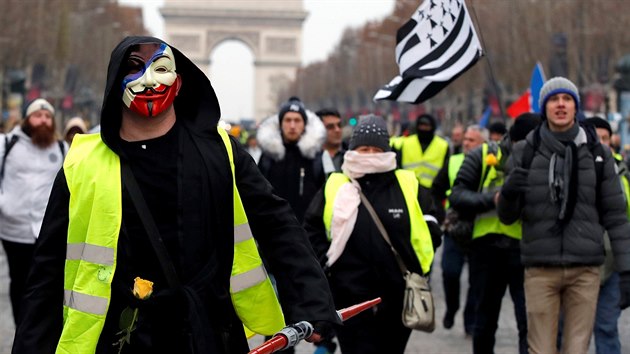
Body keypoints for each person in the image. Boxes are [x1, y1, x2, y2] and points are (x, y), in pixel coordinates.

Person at [12, 36, 339, 354]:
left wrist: (311, 297)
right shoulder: (81, 163)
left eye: (160, 68)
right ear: (115, 81)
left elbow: (275, 222)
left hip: (207, 329)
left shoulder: (221, 150)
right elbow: (48, 268)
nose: (148, 80)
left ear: (179, 83)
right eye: (135, 68)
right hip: (121, 337)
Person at [498, 77, 630, 354]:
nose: (561, 105)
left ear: (575, 107)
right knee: (541, 350)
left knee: (576, 349)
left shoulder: (598, 153)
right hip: (540, 269)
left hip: (585, 270)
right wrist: (509, 192)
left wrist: (627, 270)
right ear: (545, 107)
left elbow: (616, 216)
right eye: (554, 99)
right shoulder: (525, 151)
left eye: (567, 99)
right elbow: (507, 217)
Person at [304, 114, 441, 354]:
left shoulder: (408, 183)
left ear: (386, 151)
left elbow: (430, 222)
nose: (369, 155)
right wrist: (326, 261)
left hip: (396, 296)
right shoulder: (335, 184)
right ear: (353, 149)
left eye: (375, 149)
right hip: (349, 297)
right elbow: (312, 228)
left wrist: (419, 265)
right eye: (363, 149)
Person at [449, 115, 534, 354]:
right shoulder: (483, 154)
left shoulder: (540, 157)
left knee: (528, 323)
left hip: (525, 250)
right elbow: (457, 195)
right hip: (486, 250)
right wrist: (493, 199)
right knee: (484, 320)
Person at [0, 98, 67, 325]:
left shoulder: (61, 149)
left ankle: (38, 328)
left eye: (48, 116)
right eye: (38, 115)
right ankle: (21, 325)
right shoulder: (8, 144)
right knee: (18, 281)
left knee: (45, 282)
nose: (43, 120)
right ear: (28, 119)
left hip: (48, 231)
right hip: (13, 230)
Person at [431, 124, 487, 335]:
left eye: (471, 140)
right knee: (450, 271)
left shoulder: (491, 164)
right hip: (454, 228)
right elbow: (436, 189)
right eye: (465, 139)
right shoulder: (453, 161)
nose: (465, 143)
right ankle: (452, 307)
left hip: (479, 229)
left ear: (483, 144)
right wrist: (441, 215)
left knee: (477, 280)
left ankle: (470, 319)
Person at [257, 96, 326, 222]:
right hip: (275, 229)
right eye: (288, 120)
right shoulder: (268, 156)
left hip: (307, 232)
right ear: (280, 124)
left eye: (297, 120)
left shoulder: (317, 156)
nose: (292, 125)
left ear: (304, 124)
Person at [394, 113, 449, 188]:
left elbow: (446, 171)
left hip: (434, 191)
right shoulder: (406, 143)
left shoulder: (443, 145)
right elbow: (398, 166)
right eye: (421, 126)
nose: (423, 128)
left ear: (432, 127)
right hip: (408, 188)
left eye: (426, 126)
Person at [315, 108, 345, 176]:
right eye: (330, 127)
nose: (337, 130)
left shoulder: (351, 155)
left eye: (339, 125)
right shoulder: (310, 159)